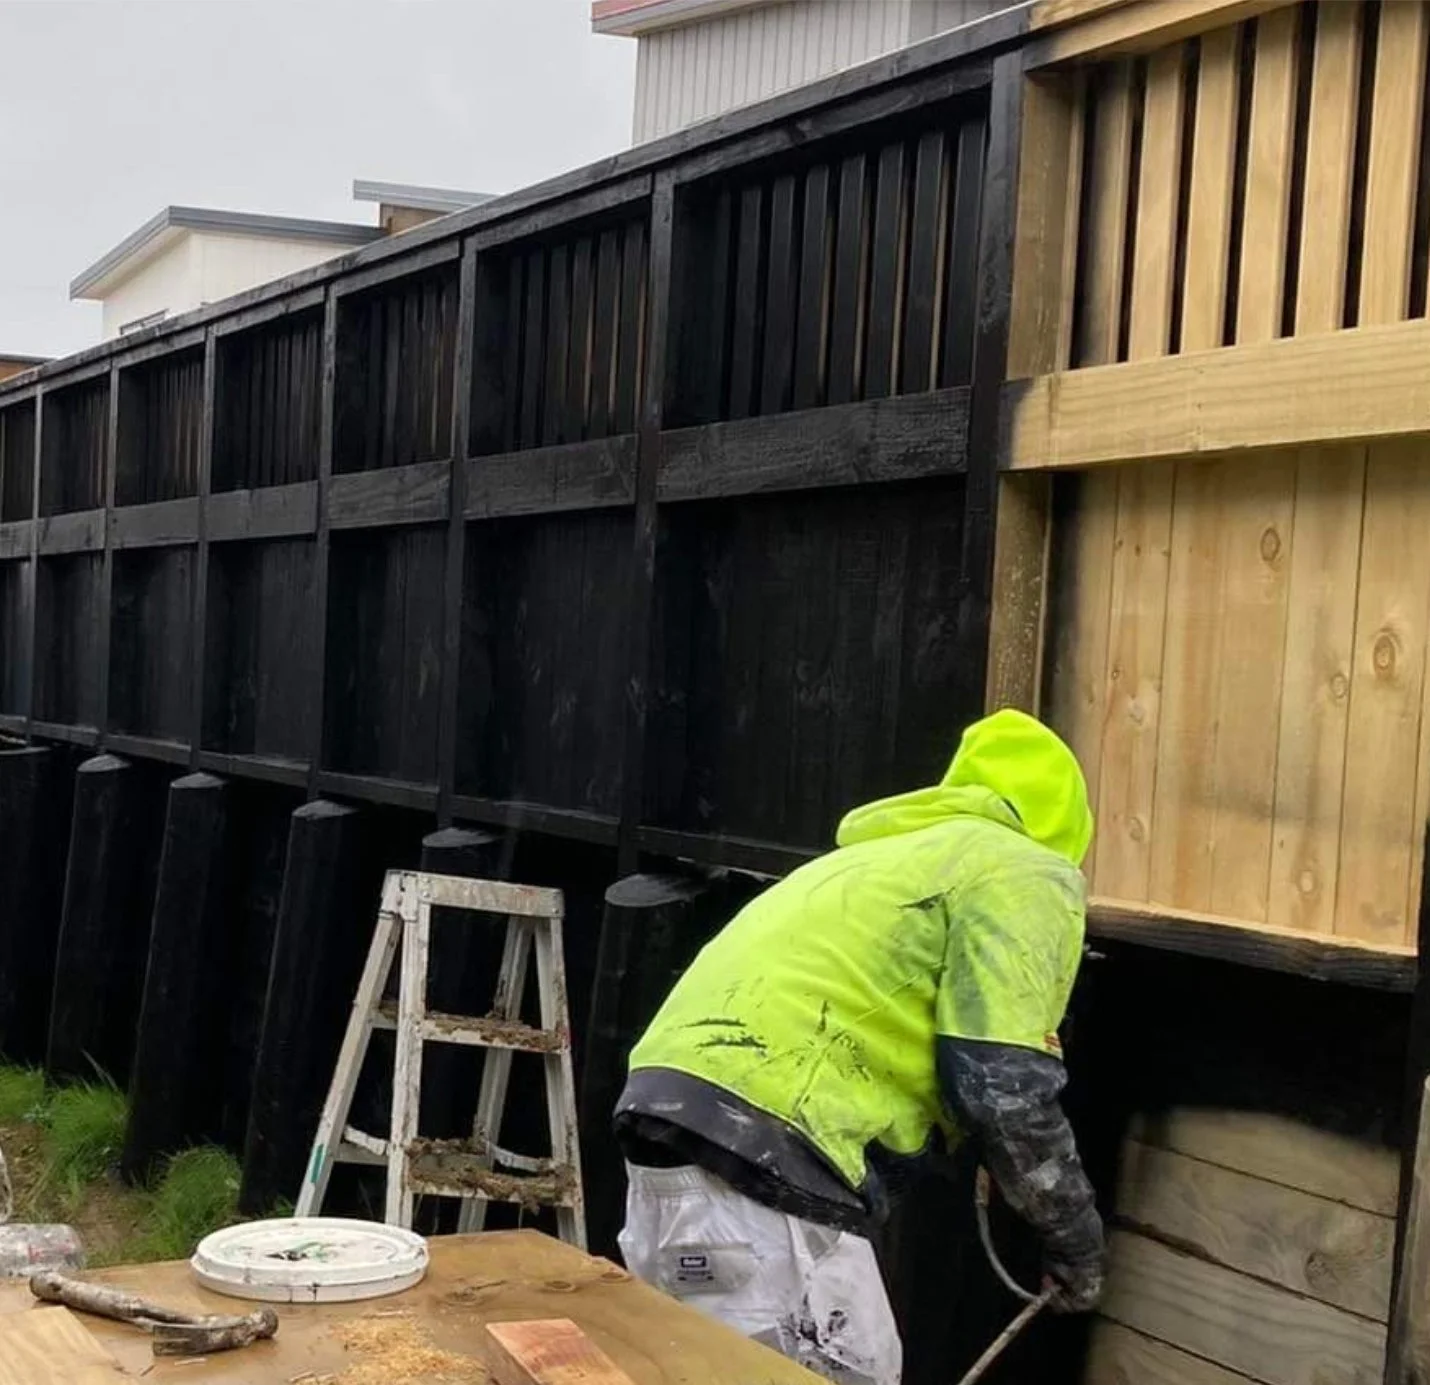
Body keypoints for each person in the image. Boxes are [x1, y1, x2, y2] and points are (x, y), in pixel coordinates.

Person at [612, 708, 1105, 1385]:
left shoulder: (883, 861)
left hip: (668, 1137)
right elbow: (1003, 1085)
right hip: (769, 1154)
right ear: (1067, 823)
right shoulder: (1026, 871)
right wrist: (1074, 1238)